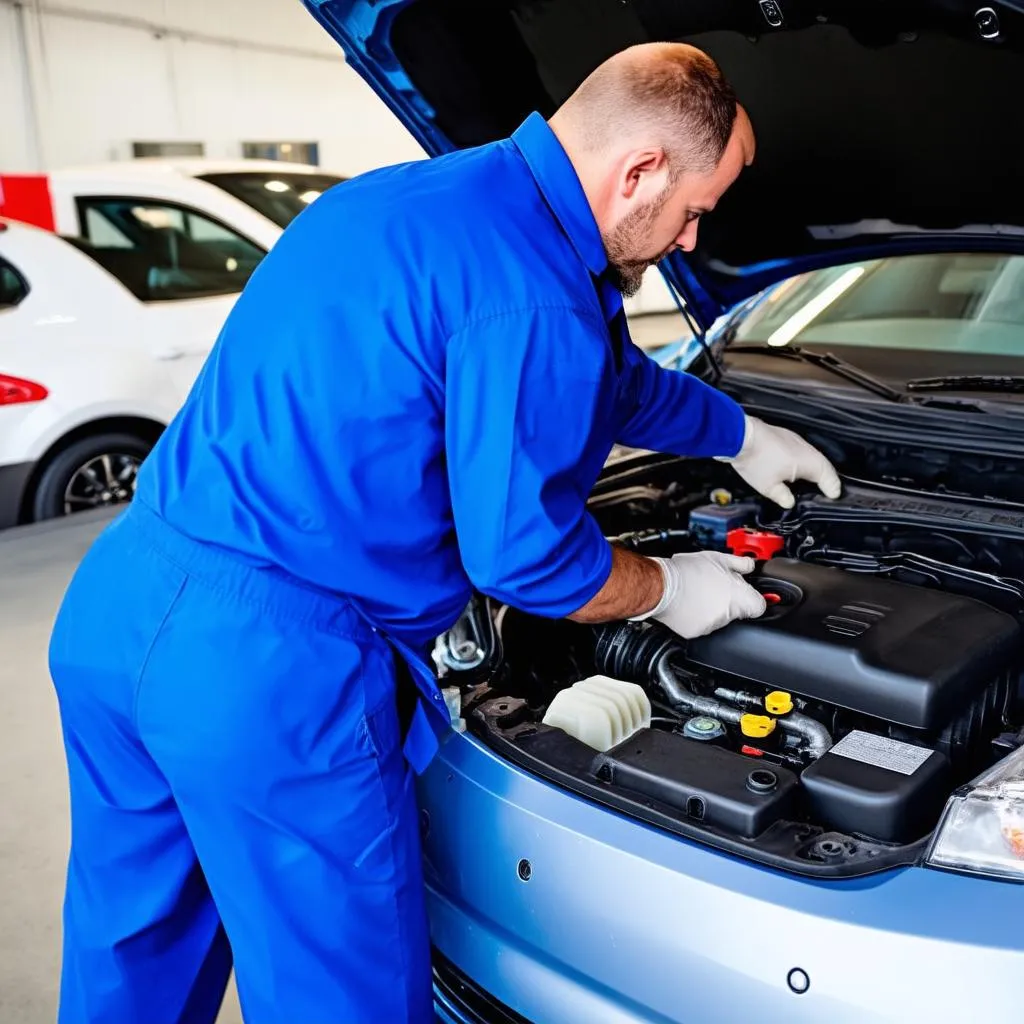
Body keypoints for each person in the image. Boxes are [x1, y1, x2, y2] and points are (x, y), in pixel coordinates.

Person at [49, 42, 839, 1024]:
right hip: (266, 675)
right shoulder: (534, 286)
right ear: (637, 172)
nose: (688, 241)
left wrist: (736, 430)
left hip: (120, 605)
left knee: (133, 957)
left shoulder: (414, 200)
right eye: (694, 211)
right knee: (342, 997)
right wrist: (672, 588)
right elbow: (525, 557)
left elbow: (603, 378)